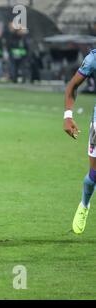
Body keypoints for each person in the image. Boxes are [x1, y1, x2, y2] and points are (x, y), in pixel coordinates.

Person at [63, 48, 96, 234]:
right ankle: (84, 204)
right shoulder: (93, 59)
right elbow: (72, 86)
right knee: (94, 174)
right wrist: (68, 116)